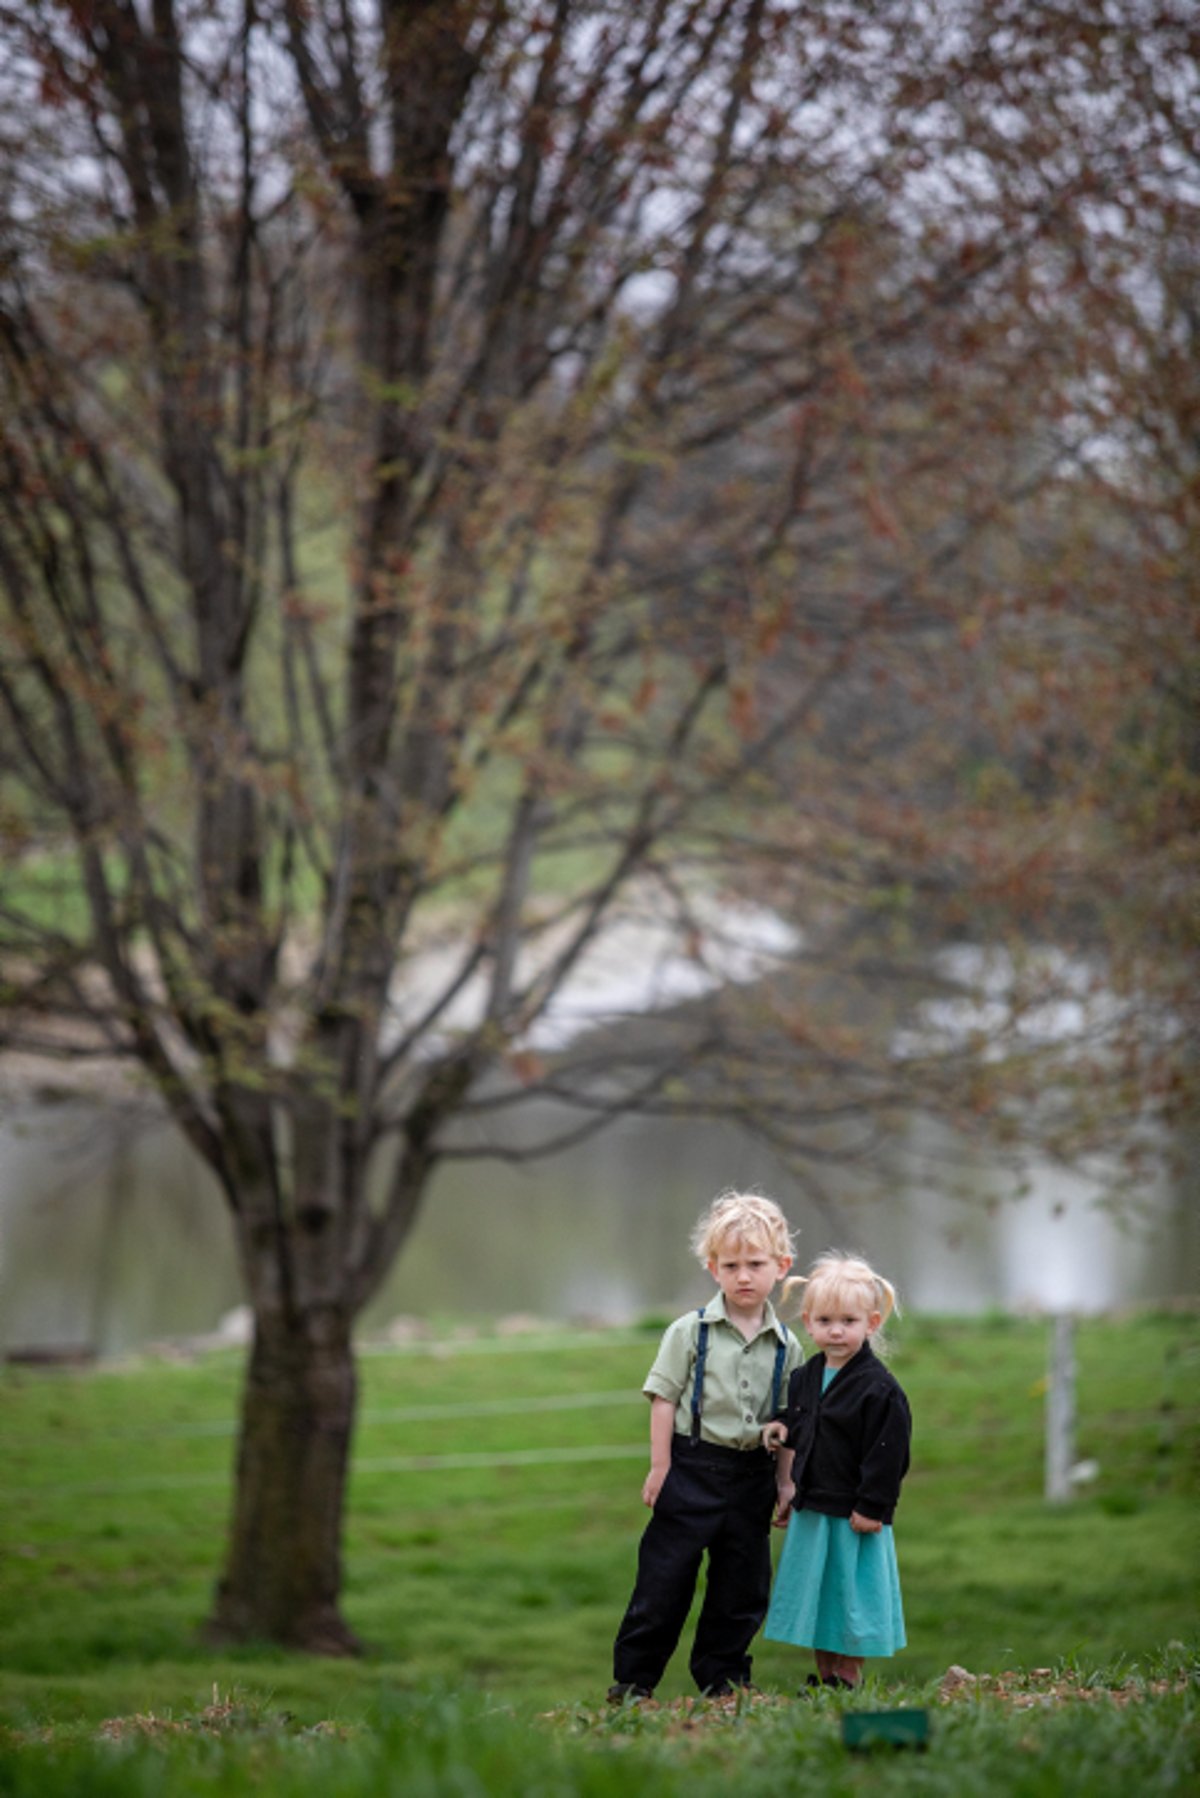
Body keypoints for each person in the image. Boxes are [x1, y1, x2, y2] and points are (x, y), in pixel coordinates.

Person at [609, 1189, 802, 1702]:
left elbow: (789, 1420)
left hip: (751, 1480)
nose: (744, 1276)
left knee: (741, 1588)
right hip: (691, 1470)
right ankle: (633, 1682)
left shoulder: (789, 1345)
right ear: (712, 1268)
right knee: (663, 1581)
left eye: (755, 1264)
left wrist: (785, 1482)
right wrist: (660, 1467)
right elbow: (663, 1399)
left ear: (780, 1267)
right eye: (731, 1264)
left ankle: (725, 1680)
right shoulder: (687, 1332)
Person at [762, 1250, 911, 1692]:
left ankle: (848, 1674)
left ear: (872, 1323)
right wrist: (781, 1426)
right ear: (808, 1323)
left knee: (852, 1596)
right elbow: (803, 1418)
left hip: (853, 1513)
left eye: (848, 1320)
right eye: (825, 1320)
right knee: (820, 1595)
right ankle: (825, 1674)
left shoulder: (879, 1389)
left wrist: (873, 1507)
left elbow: (889, 1454)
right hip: (814, 1505)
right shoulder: (808, 1375)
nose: (836, 1330)